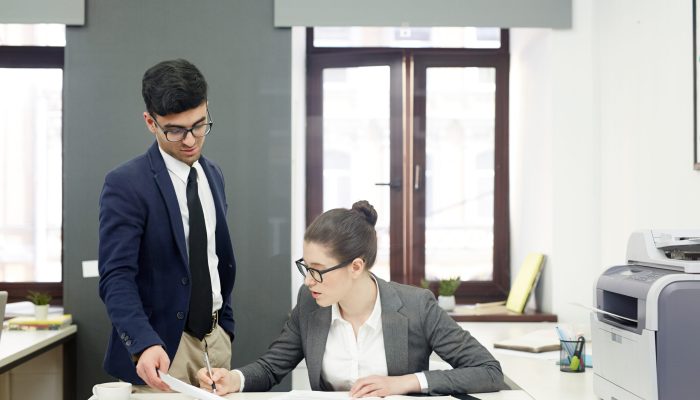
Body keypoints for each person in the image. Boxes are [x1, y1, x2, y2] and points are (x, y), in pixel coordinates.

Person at [198, 201, 506, 396]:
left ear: (356, 266)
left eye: (318, 270)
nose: (308, 281)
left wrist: (406, 382)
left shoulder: (416, 306)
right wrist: (234, 379)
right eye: (306, 267)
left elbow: (488, 371)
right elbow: (271, 368)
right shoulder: (310, 302)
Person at [98, 59, 236, 391]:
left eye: (199, 125)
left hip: (215, 343)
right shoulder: (126, 183)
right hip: (158, 351)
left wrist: (226, 327)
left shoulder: (212, 174)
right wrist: (143, 342)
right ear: (150, 122)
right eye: (175, 130)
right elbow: (116, 276)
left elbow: (214, 260)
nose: (190, 140)